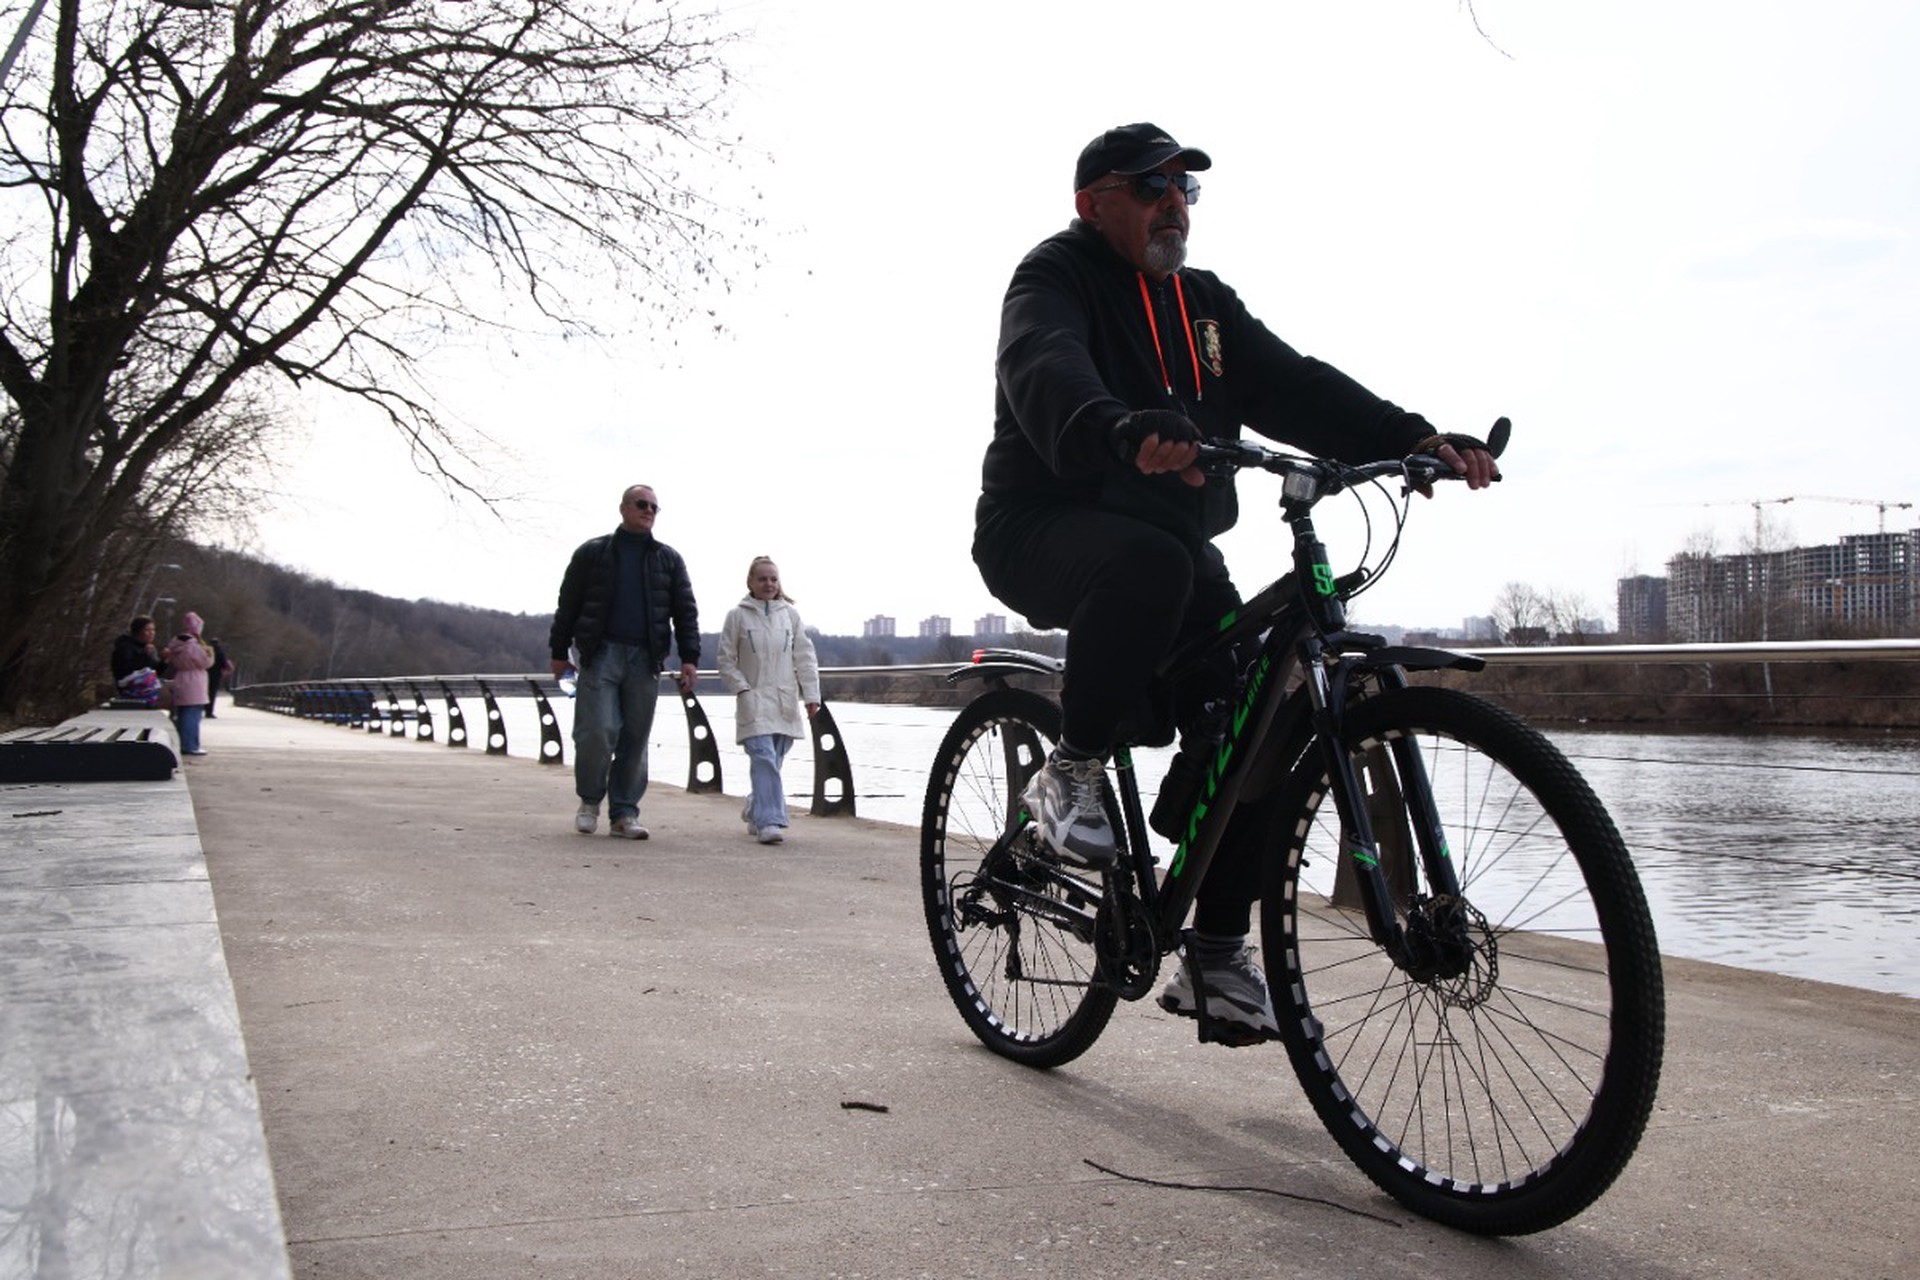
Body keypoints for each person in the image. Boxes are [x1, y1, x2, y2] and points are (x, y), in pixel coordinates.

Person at [972, 123, 1500, 1041]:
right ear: (1094, 202)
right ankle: (1072, 772)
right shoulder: (1056, 275)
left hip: (1171, 548)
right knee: (1154, 563)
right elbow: (1041, 363)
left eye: (1185, 190)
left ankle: (1214, 955)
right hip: (1042, 525)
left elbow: (1297, 386)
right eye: (1151, 188)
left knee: (1259, 716)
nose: (1173, 204)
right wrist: (1115, 425)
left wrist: (1413, 438)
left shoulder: (1206, 308)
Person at [549, 483, 701, 840]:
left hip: (645, 659)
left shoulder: (669, 559)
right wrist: (559, 652)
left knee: (635, 737)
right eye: (641, 504)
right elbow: (567, 604)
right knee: (597, 732)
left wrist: (690, 658)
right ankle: (589, 801)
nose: (648, 510)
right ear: (623, 508)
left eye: (654, 507)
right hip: (600, 654)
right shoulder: (592, 553)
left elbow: (685, 612)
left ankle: (624, 814)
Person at [716, 557, 822, 846]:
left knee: (774, 760)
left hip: (784, 700)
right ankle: (770, 821)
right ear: (750, 582)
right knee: (763, 758)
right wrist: (742, 689)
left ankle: (754, 806)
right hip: (754, 698)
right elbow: (725, 659)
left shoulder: (790, 616)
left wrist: (811, 694)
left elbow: (805, 656)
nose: (768, 584)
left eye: (773, 579)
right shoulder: (737, 616)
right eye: (762, 579)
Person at [161, 611, 216, 756]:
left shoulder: (177, 642)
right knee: (192, 714)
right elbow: (206, 662)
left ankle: (184, 743)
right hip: (194, 681)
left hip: (181, 678)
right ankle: (190, 745)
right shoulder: (192, 645)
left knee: (184, 713)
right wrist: (210, 653)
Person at [206, 637, 234, 717]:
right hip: (215, 675)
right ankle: (209, 711)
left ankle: (202, 708)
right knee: (212, 693)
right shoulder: (220, 652)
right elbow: (224, 664)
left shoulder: (206, 651)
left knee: (204, 692)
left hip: (205, 674)